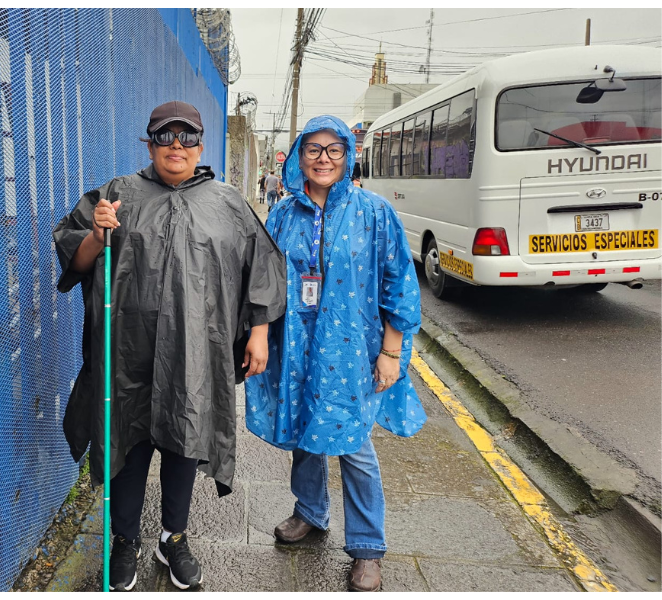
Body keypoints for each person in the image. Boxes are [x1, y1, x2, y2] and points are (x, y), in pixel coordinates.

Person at [53, 101, 286, 592]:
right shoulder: (116, 194)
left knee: (185, 440)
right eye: (164, 136)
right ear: (150, 144)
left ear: (200, 145)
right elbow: (75, 258)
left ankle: (173, 538)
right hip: (127, 352)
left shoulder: (227, 202)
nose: (175, 146)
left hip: (198, 351)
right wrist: (97, 233)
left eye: (186, 137)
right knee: (129, 442)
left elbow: (262, 266)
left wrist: (260, 331)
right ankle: (125, 541)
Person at [244, 115, 426, 592]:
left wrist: (392, 349)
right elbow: (263, 279)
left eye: (334, 150)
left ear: (347, 156)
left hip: (353, 351)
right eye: (313, 149)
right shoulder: (283, 214)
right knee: (306, 430)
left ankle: (367, 547)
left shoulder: (374, 212)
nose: (323, 159)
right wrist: (259, 333)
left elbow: (398, 281)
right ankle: (310, 512)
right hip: (298, 346)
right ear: (299, 156)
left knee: (354, 445)